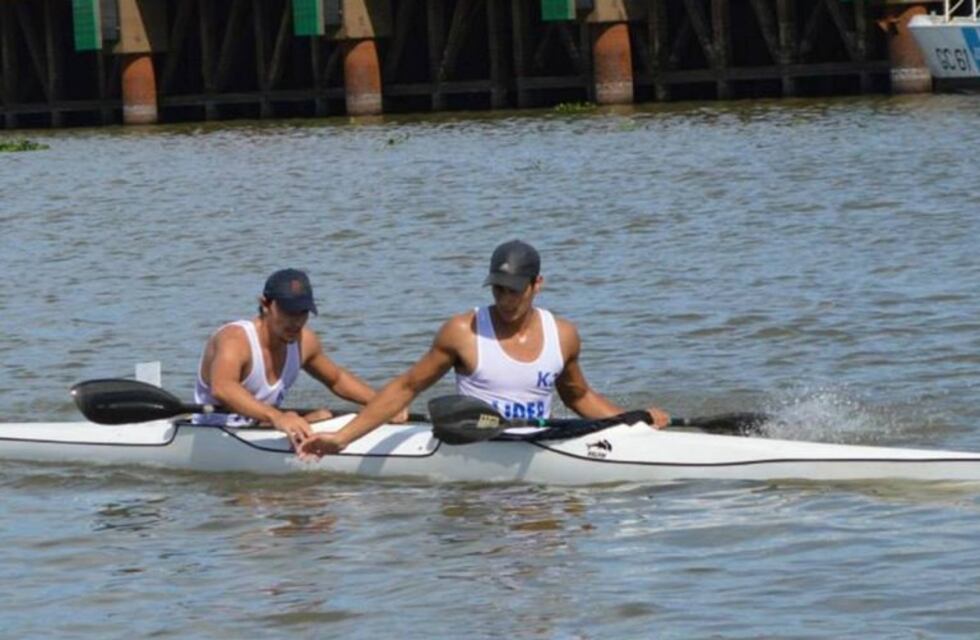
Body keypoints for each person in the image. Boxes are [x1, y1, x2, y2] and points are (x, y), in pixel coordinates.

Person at [299, 240, 670, 457]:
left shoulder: (563, 335)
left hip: (539, 444)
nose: (506, 300)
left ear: (537, 284)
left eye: (514, 290)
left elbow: (580, 397)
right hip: (476, 444)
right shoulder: (464, 331)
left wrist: (631, 423)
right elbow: (407, 387)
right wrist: (342, 439)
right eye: (498, 290)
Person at [193, 268, 405, 447]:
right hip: (214, 433)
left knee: (324, 417)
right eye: (288, 312)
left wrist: (382, 405)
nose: (296, 322)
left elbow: (337, 379)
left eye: (302, 312)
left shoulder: (305, 342)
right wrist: (277, 417)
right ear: (266, 305)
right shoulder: (235, 340)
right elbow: (223, 388)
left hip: (262, 427)